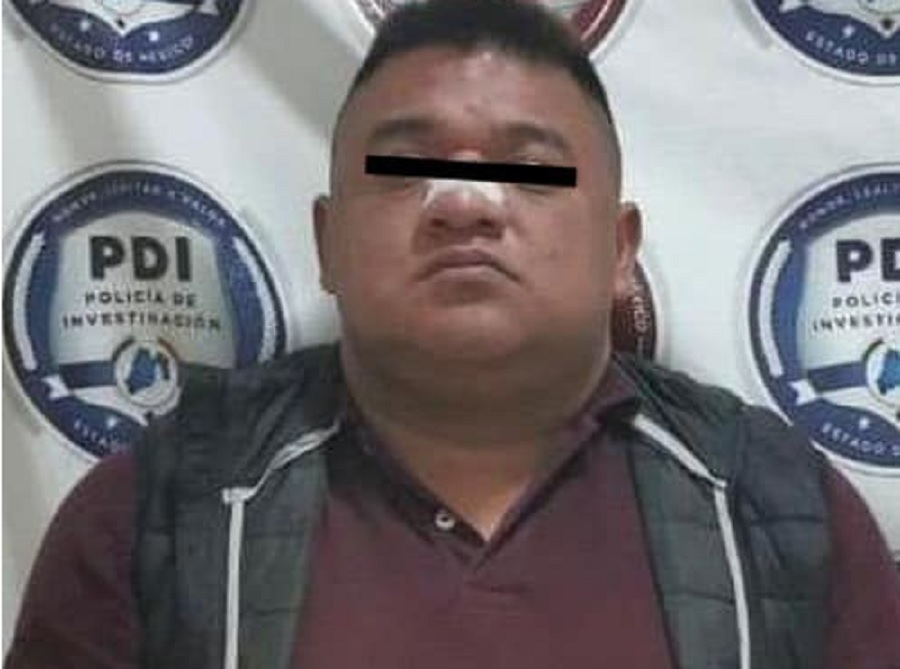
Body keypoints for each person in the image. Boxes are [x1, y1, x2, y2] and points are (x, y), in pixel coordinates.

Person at [6, 1, 900, 667]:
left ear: (620, 250)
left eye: (533, 171)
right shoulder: (158, 514)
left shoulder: (781, 512)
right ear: (327, 242)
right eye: (404, 167)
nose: (466, 204)